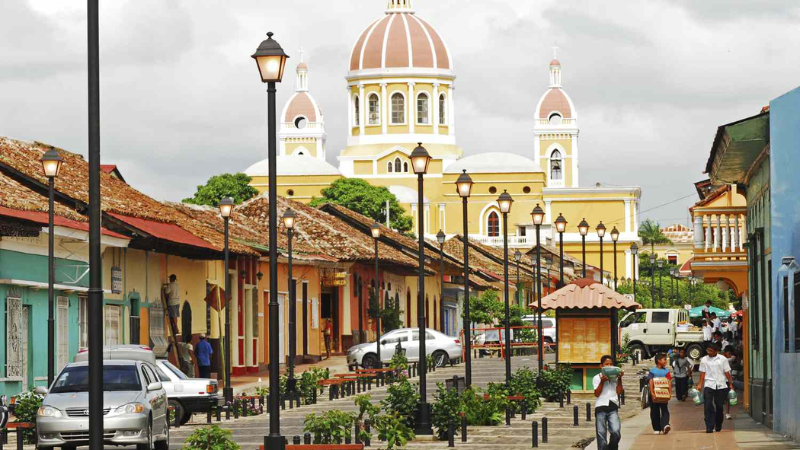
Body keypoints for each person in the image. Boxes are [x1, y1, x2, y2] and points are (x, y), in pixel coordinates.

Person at [698, 342, 734, 433]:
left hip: (721, 385)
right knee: (708, 405)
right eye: (708, 350)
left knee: (719, 407)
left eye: (711, 351)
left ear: (716, 351)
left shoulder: (723, 359)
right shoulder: (704, 360)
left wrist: (731, 384)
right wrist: (700, 384)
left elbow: (727, 373)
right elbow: (703, 373)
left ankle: (718, 425)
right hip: (709, 385)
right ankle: (709, 427)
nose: (709, 352)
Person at [593, 355, 624, 450]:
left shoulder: (615, 378)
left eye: (611, 364)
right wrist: (602, 382)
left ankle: (611, 447)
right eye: (607, 364)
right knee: (601, 433)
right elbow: (597, 394)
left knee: (616, 431)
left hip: (613, 405)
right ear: (601, 366)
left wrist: (619, 379)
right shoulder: (596, 377)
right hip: (600, 406)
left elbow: (619, 392)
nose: (609, 366)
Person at [648, 353, 672, 435]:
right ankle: (656, 428)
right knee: (654, 411)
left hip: (663, 393)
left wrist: (669, 393)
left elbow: (669, 382)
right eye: (664, 359)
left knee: (665, 410)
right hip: (654, 393)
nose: (666, 361)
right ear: (658, 361)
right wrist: (652, 393)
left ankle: (665, 425)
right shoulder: (652, 371)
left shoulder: (666, 371)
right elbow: (651, 382)